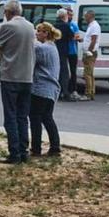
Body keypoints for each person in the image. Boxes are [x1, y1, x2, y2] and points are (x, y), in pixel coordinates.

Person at [0, 0, 35, 163]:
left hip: (11, 76)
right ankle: (24, 151)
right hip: (27, 77)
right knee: (23, 116)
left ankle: (14, 153)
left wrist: (4, 53)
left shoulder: (7, 26)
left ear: (8, 12)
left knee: (10, 116)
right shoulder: (31, 27)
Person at [29, 22, 62, 156]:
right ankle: (55, 146)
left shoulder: (43, 49)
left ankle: (36, 148)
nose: (36, 34)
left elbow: (33, 48)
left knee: (35, 118)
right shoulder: (53, 47)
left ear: (46, 33)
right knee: (47, 118)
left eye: (39, 31)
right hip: (51, 89)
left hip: (41, 88)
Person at [51, 8, 72, 101]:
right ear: (64, 16)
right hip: (63, 51)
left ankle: (57, 92)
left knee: (56, 71)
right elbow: (71, 36)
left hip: (55, 50)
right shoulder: (66, 26)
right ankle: (65, 92)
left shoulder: (54, 26)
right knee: (64, 72)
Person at [80, 10, 101, 100]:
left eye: (86, 16)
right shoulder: (91, 26)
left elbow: (94, 39)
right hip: (89, 51)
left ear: (90, 16)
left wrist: (89, 51)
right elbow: (89, 39)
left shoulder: (94, 26)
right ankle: (91, 92)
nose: (84, 18)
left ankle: (88, 94)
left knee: (87, 74)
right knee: (90, 73)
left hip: (90, 53)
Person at [65, 8, 81, 100]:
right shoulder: (64, 25)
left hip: (72, 51)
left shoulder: (74, 25)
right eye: (68, 14)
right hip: (64, 51)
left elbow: (77, 36)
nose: (70, 16)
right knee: (64, 71)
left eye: (71, 15)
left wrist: (73, 37)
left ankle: (73, 90)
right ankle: (65, 89)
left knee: (73, 71)